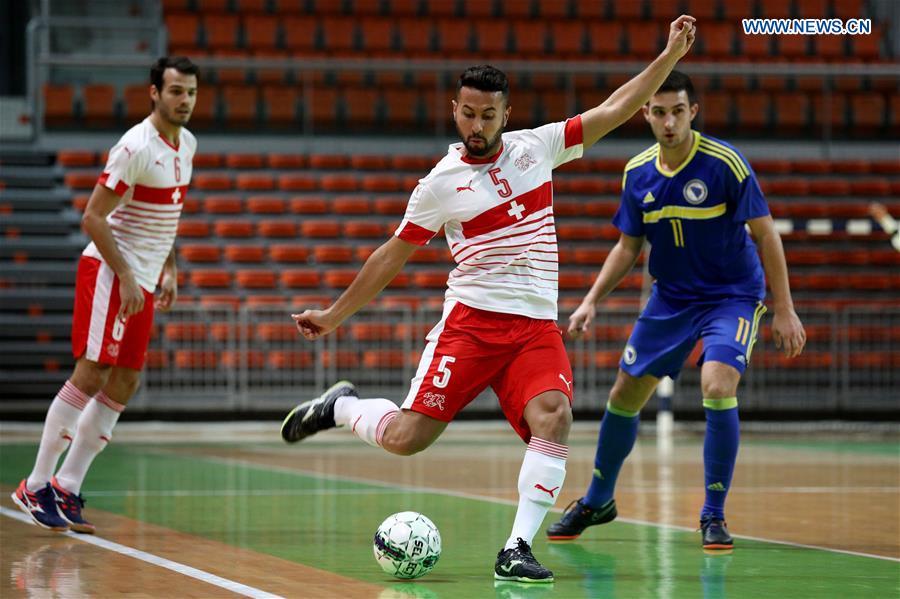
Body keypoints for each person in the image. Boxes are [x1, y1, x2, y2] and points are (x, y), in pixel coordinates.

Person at [281, 16, 697, 583]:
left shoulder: (538, 147)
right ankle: (342, 408)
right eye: (468, 113)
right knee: (406, 439)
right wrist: (334, 315)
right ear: (455, 109)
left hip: (534, 329)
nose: (477, 125)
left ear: (507, 113)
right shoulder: (440, 183)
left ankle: (516, 549)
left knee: (555, 417)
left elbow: (616, 108)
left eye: (489, 115)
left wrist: (669, 56)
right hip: (472, 326)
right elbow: (391, 256)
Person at [545, 70, 807, 550]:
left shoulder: (726, 163)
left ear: (693, 112)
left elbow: (766, 234)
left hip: (731, 296)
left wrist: (784, 308)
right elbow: (627, 247)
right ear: (646, 113)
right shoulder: (637, 172)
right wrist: (590, 300)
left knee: (717, 384)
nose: (669, 122)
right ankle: (598, 500)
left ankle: (713, 514)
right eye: (660, 112)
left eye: (678, 112)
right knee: (624, 394)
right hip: (671, 299)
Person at [12, 56, 199, 534]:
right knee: (92, 371)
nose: (185, 101)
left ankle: (68, 486)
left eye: (191, 92)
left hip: (143, 277)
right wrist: (128, 276)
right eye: (176, 91)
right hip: (109, 271)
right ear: (154, 93)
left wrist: (169, 269)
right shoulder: (134, 146)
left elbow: (169, 215)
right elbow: (93, 217)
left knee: (126, 380)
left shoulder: (187, 145)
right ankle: (35, 485)